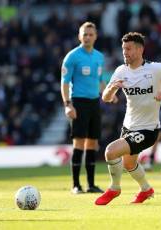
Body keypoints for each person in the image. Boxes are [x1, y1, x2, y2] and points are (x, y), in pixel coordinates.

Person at [95, 32, 161, 205]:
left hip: (148, 129)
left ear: (140, 50)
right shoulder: (121, 71)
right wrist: (112, 89)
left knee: (110, 151)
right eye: (123, 49)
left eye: (129, 48)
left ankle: (114, 188)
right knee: (129, 164)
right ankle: (146, 189)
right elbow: (106, 98)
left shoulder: (156, 69)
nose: (125, 52)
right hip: (128, 127)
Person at [60, 22, 104, 194]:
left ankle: (91, 184)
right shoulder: (72, 57)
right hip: (78, 102)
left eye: (90, 34)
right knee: (78, 142)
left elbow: (99, 80)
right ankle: (76, 185)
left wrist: (109, 92)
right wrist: (67, 104)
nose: (87, 37)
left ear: (96, 36)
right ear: (79, 36)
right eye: (84, 34)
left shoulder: (99, 57)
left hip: (94, 102)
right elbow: (64, 83)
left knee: (92, 143)